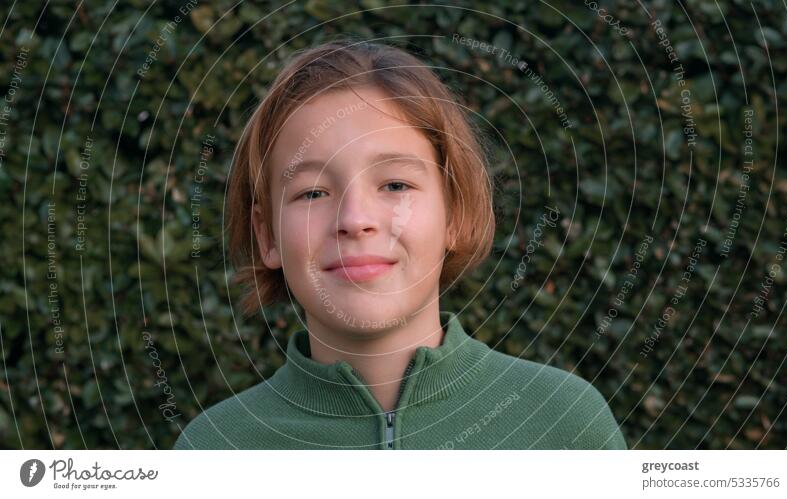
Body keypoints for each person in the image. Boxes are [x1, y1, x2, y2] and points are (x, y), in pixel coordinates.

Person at [173, 38, 626, 450]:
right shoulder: (214, 450)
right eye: (312, 193)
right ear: (267, 235)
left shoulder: (566, 424)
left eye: (395, 185)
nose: (355, 220)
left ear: (455, 214)